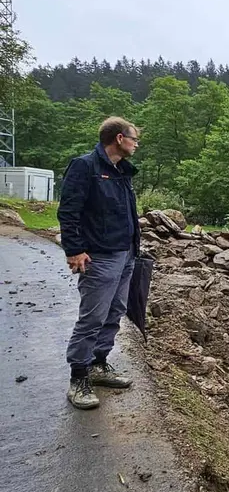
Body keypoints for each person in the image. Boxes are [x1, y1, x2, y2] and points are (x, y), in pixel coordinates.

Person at [57, 117, 142, 409]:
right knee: (92, 317)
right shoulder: (85, 166)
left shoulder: (121, 171)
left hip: (125, 254)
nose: (136, 144)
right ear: (119, 138)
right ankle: (78, 376)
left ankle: (98, 363)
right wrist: (74, 249)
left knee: (115, 311)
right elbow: (68, 211)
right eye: (134, 139)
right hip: (101, 256)